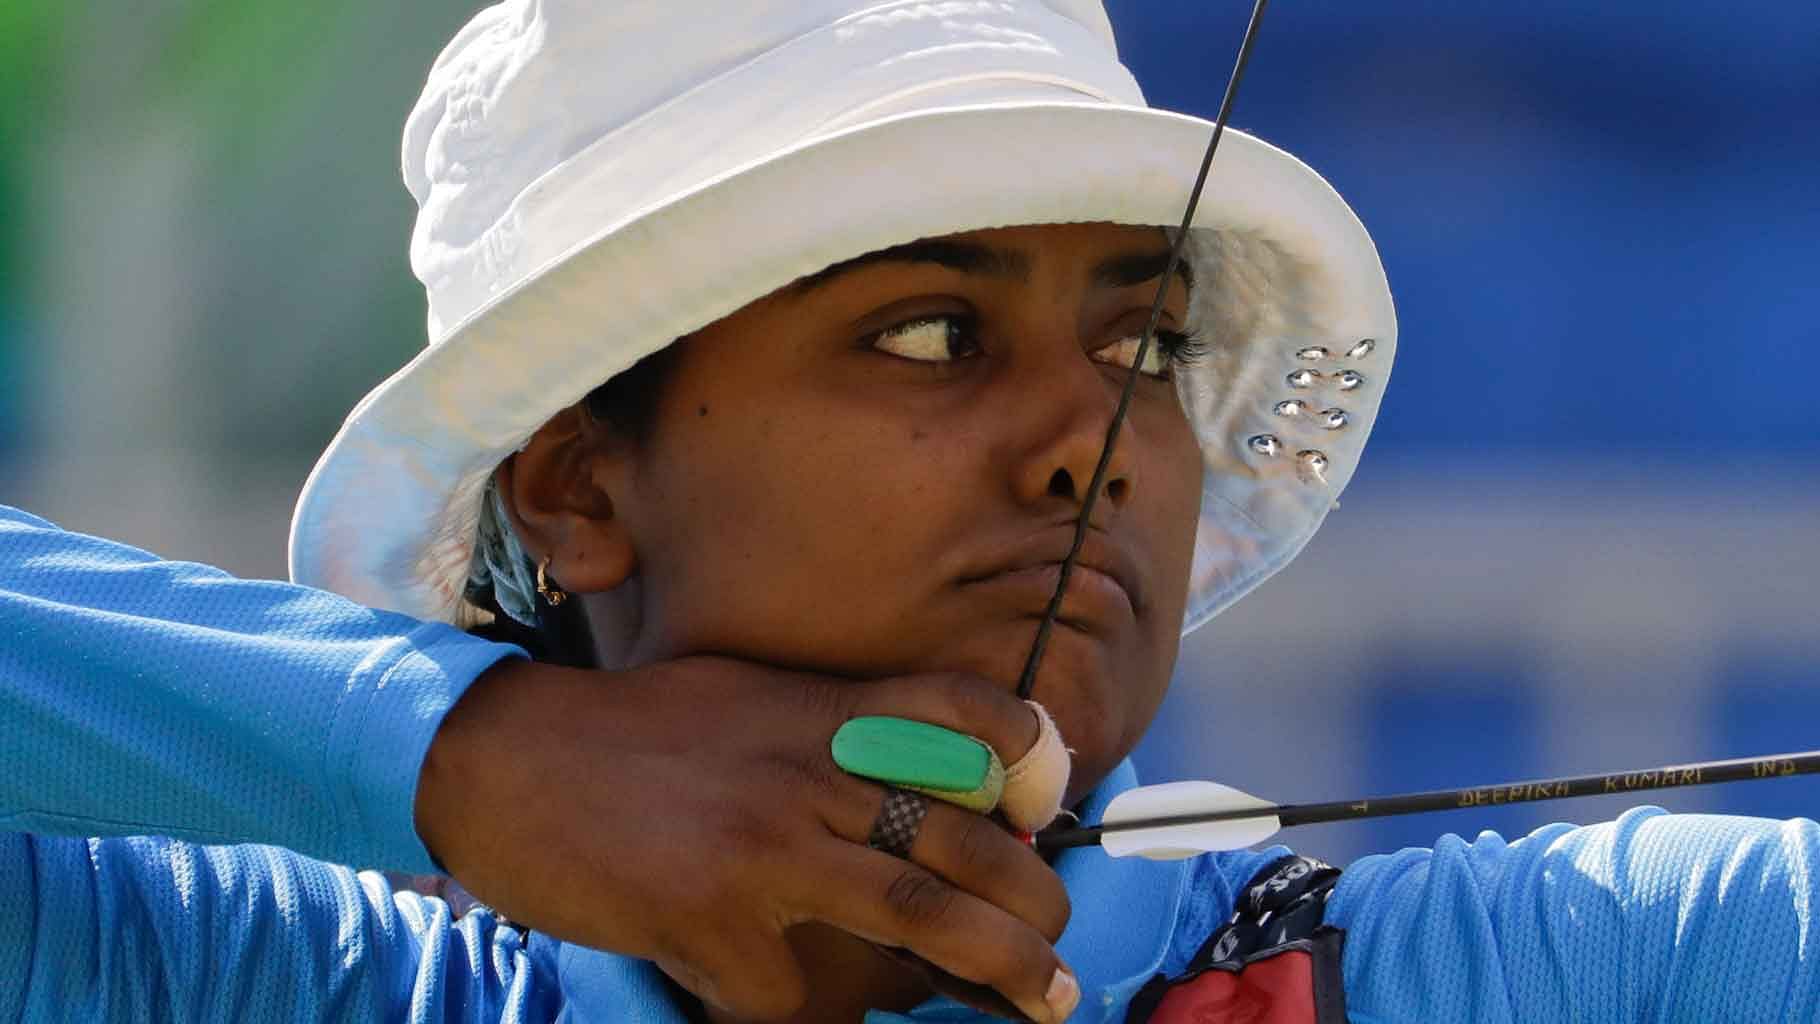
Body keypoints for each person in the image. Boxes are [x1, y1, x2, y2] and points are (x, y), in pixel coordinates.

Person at [4, 2, 1818, 1022]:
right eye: (932, 333)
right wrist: (465, 758)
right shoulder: (246, 979)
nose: (1092, 443)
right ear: (576, 485)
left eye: (1144, 341)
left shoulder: (1567, 974)